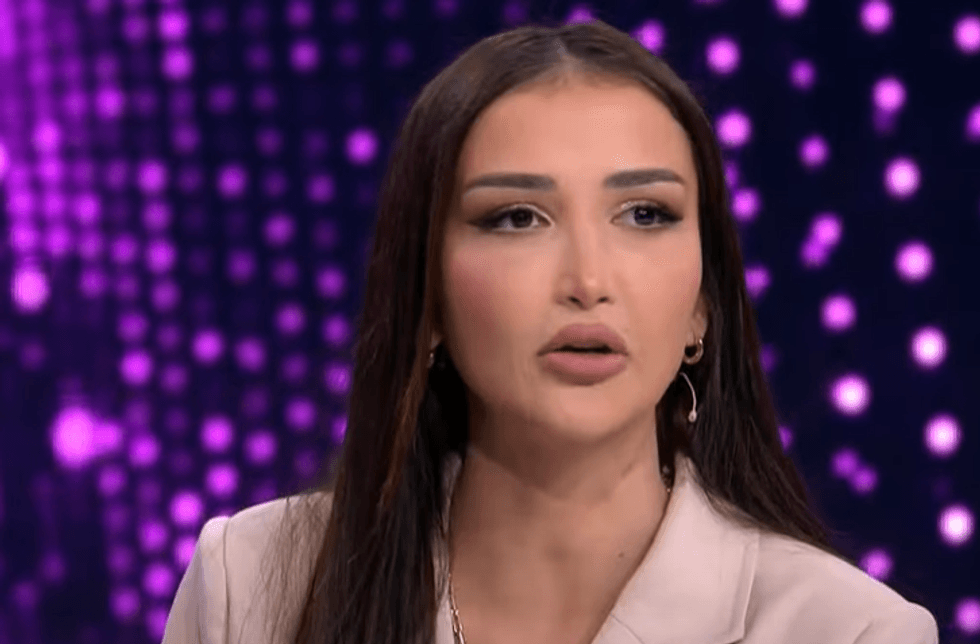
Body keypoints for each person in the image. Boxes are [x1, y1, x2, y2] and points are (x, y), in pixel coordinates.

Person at [162, 18, 939, 644]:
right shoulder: (252, 588)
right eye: (517, 218)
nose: (588, 281)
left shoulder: (850, 631)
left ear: (703, 305)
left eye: (646, 214)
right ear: (427, 297)